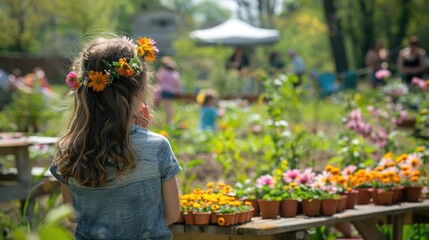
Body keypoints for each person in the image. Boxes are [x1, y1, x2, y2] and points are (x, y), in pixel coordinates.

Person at [49, 35, 181, 240]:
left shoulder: (68, 148)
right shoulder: (157, 147)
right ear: (138, 89)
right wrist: (140, 134)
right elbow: (172, 214)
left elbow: (73, 216)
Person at [155, 56, 182, 125]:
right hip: (172, 92)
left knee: (165, 107)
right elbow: (177, 84)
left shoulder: (163, 72)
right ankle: (169, 121)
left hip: (164, 91)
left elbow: (158, 80)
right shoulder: (175, 74)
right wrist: (178, 92)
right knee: (169, 106)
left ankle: (167, 121)